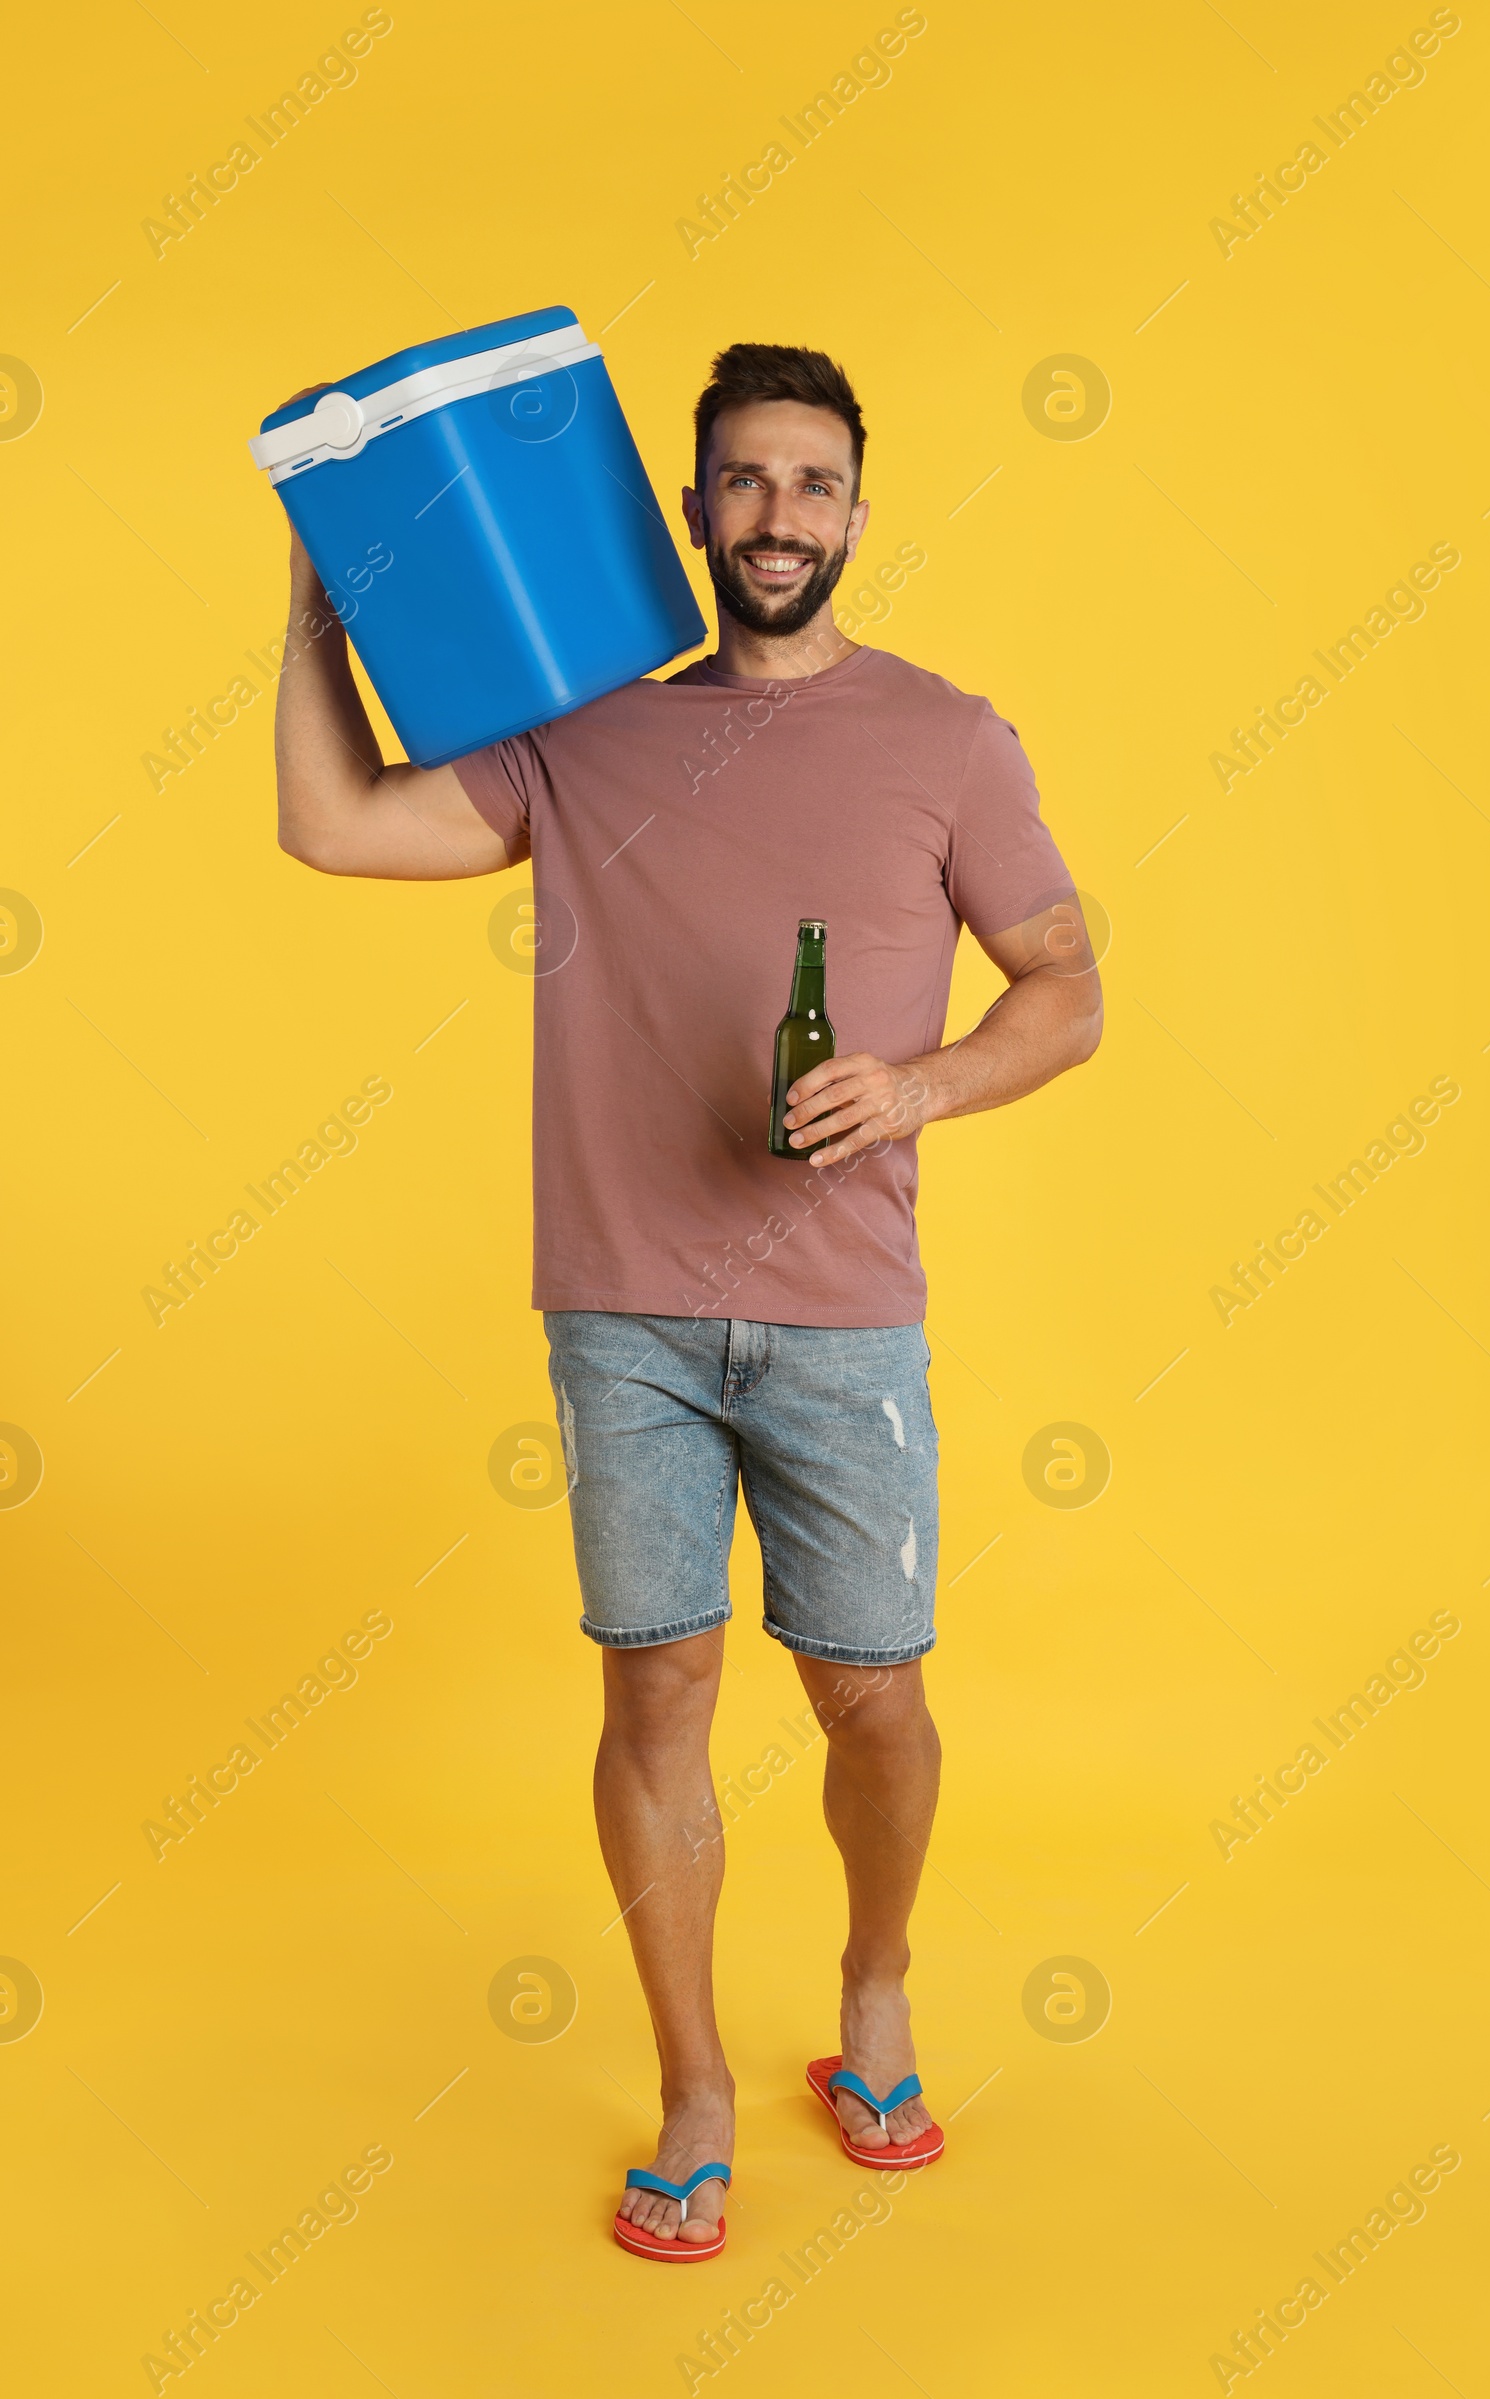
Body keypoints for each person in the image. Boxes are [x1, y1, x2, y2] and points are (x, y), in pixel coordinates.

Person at [274, 340, 1103, 2255]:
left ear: (857, 512)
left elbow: (1066, 989)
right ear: (692, 510)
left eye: (813, 483)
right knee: (655, 1690)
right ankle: (696, 2091)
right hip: (622, 1314)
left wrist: (915, 1086)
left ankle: (875, 1982)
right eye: (741, 481)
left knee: (872, 1698)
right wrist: (316, 613)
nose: (778, 516)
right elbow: (332, 825)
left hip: (844, 1315)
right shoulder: (582, 734)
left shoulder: (950, 739)